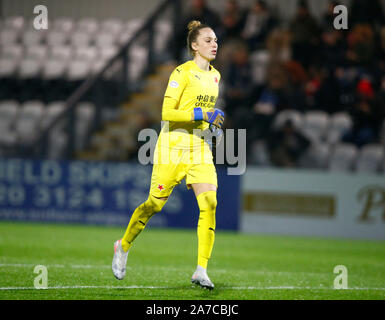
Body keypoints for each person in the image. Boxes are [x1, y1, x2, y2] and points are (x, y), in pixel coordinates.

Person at [112, 20, 224, 290]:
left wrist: (214, 126)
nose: (214, 44)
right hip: (172, 146)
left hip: (199, 147)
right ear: (194, 46)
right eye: (208, 40)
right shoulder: (181, 73)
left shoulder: (215, 76)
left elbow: (206, 116)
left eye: (216, 40)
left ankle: (201, 270)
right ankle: (123, 245)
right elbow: (166, 114)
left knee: (209, 203)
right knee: (154, 205)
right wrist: (203, 114)